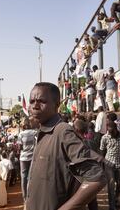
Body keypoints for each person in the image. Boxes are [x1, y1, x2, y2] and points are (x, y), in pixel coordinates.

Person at [26, 82, 107, 210]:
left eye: (42, 101)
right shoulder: (43, 132)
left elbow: (96, 178)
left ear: (56, 105)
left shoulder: (63, 132)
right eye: (32, 101)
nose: (35, 106)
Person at [100, 121, 120, 210]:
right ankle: (112, 206)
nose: (111, 134)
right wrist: (102, 165)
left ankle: (115, 198)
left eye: (112, 132)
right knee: (111, 186)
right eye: (109, 132)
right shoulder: (105, 138)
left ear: (116, 129)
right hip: (109, 164)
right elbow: (102, 151)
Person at [17, 117, 37, 201]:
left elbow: (19, 147)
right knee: (32, 176)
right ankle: (31, 195)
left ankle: (25, 197)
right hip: (33, 156)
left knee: (24, 177)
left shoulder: (21, 134)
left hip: (23, 157)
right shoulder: (35, 133)